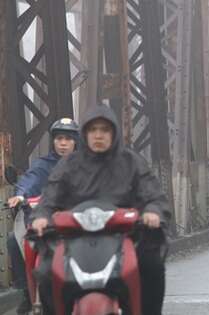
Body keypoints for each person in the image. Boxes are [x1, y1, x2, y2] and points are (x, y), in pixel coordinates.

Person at [31, 105, 171, 315]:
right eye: (93, 129)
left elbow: (153, 195)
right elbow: (50, 197)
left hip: (126, 237)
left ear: (114, 133)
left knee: (152, 266)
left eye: (105, 130)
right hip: (74, 239)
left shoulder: (131, 162)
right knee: (46, 272)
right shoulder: (69, 164)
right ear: (84, 134)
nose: (98, 135)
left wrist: (153, 211)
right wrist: (41, 216)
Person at [6, 118, 79, 315]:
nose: (63, 143)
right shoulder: (43, 165)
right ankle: (25, 292)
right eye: (59, 138)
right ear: (53, 141)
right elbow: (30, 179)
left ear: (76, 142)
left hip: (77, 221)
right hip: (48, 222)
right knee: (14, 240)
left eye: (68, 139)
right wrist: (21, 195)